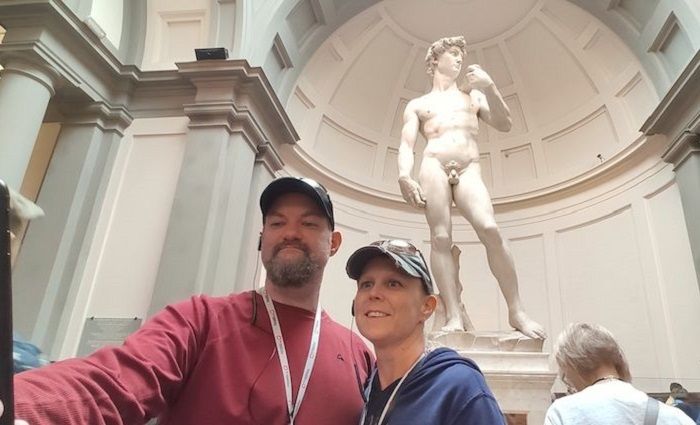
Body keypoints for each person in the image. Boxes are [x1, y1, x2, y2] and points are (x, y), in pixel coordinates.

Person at [7, 176, 372, 424]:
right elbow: (115, 382)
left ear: (334, 243)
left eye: (308, 223)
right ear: (263, 237)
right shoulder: (201, 320)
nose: (290, 233)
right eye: (277, 223)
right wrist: (18, 403)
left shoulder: (359, 355)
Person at [397, 35, 545, 338]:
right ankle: (452, 315)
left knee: (490, 228)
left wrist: (490, 86)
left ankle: (516, 311)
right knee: (440, 237)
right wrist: (404, 176)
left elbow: (505, 124)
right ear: (435, 59)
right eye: (452, 54)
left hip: (469, 166)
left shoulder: (472, 97)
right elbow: (406, 143)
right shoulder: (419, 104)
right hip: (433, 164)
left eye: (460, 55)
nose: (459, 59)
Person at [346, 239, 506, 425]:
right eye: (366, 284)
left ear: (427, 306)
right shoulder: (366, 388)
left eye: (393, 284)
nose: (374, 293)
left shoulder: (460, 389)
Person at [544, 323, 695, 425]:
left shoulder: (563, 412)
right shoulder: (673, 416)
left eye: (565, 377)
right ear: (618, 360)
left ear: (571, 366)